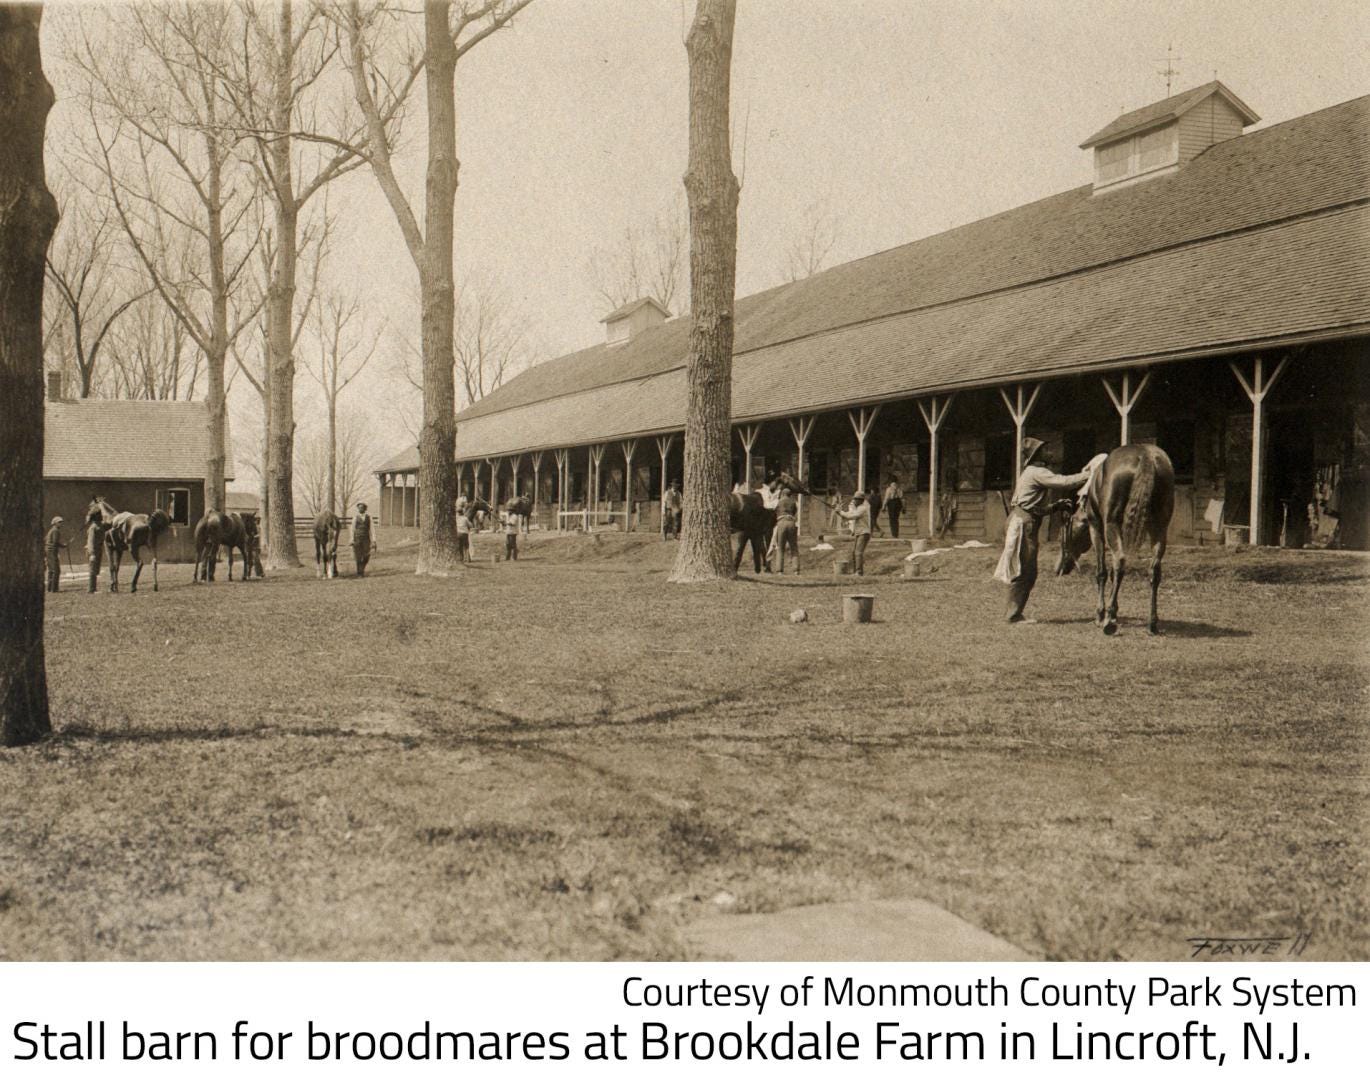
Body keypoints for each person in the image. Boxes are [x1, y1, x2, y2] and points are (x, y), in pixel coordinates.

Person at [994, 437, 1093, 623]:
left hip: (1022, 519)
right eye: (1046, 450)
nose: (1051, 453)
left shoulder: (1031, 472)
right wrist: (1092, 472)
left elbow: (1034, 507)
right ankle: (1013, 615)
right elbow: (1064, 482)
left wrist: (1055, 507)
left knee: (1024, 569)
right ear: (1037, 455)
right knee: (1025, 571)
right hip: (1024, 523)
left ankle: (1013, 613)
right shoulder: (1037, 472)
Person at [836, 492, 872, 575]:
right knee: (854, 552)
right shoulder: (857, 508)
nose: (854, 500)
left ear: (861, 500)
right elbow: (848, 514)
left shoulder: (862, 508)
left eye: (856, 499)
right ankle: (856, 571)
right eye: (854, 499)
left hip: (864, 533)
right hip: (858, 533)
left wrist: (840, 512)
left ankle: (859, 572)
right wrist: (839, 512)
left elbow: (851, 516)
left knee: (858, 552)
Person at [773, 487, 801, 574]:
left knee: (780, 547)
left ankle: (779, 571)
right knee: (794, 547)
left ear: (782, 494)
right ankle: (796, 570)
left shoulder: (778, 501)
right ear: (790, 495)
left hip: (781, 522)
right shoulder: (793, 502)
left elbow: (775, 511)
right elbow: (795, 512)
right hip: (791, 522)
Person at [84, 507, 107, 594]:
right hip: (93, 550)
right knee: (93, 570)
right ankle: (91, 589)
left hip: (98, 550)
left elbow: (106, 521)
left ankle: (93, 588)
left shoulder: (99, 525)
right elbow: (90, 541)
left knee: (95, 569)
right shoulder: (93, 527)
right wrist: (92, 554)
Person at [351, 502, 374, 577]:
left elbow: (372, 529)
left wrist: (374, 540)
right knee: (358, 556)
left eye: (362, 507)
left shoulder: (369, 517)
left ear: (365, 509)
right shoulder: (355, 517)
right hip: (357, 539)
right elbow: (352, 529)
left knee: (366, 555)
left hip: (366, 539)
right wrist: (352, 539)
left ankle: (362, 568)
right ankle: (359, 572)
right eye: (359, 508)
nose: (360, 509)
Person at [44, 516, 66, 593]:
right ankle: (54, 589)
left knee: (51, 570)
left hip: (48, 551)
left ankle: (49, 588)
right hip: (52, 552)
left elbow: (46, 540)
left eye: (61, 522)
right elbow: (55, 542)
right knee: (56, 570)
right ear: (55, 523)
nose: (61, 524)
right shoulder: (56, 531)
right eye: (59, 522)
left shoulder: (51, 530)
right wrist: (63, 546)